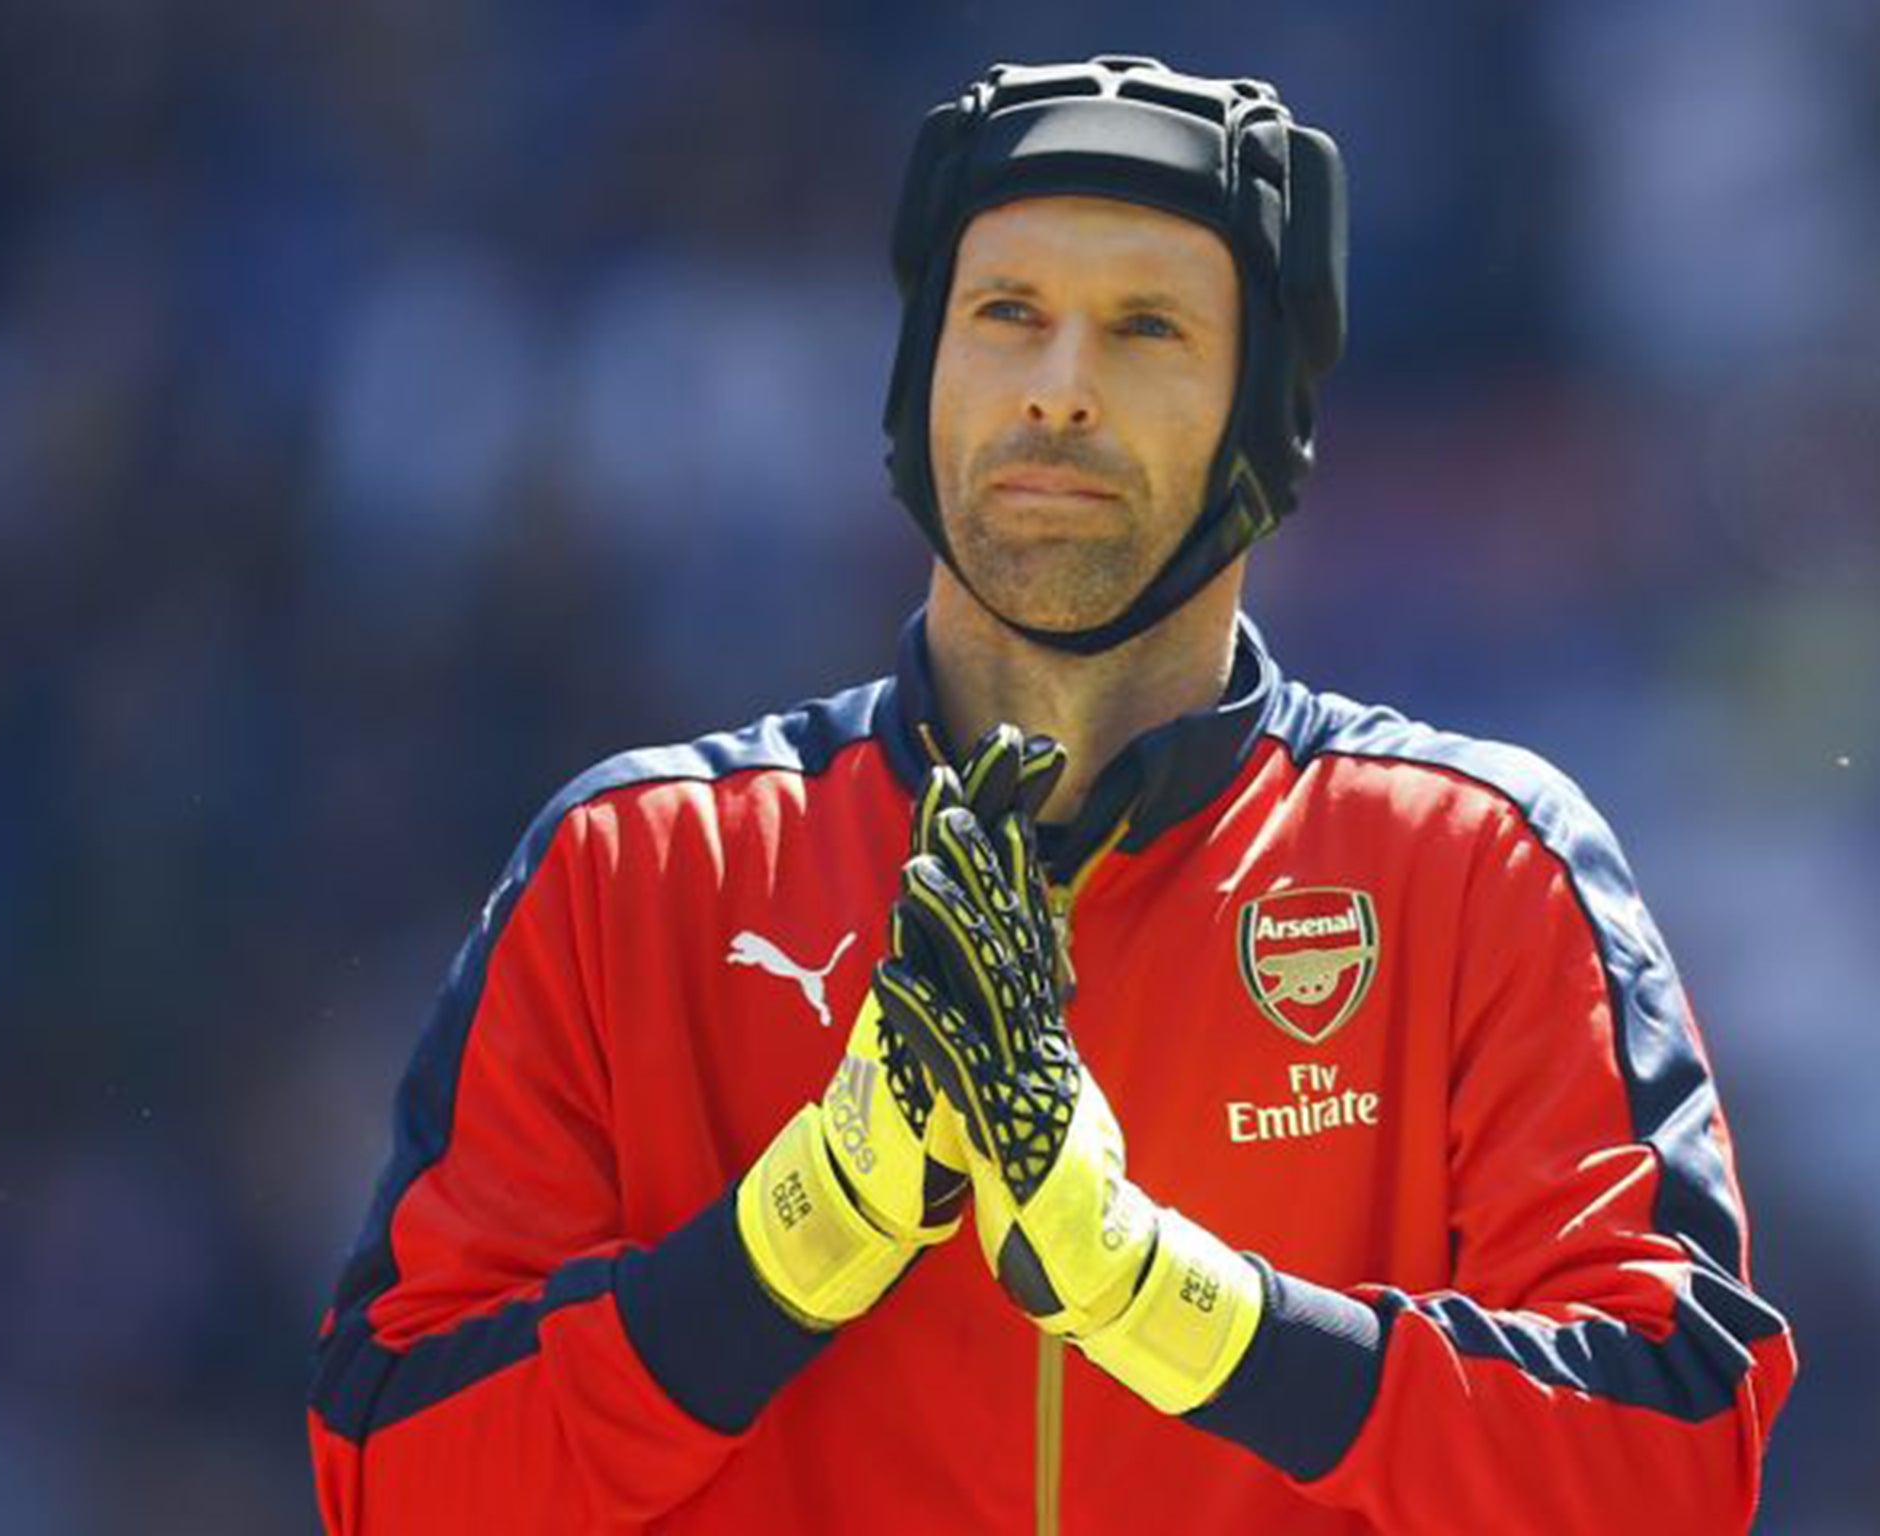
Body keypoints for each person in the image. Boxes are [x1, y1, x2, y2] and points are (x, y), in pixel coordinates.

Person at [306, 56, 1795, 1534]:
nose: (1059, 391)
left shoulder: (1476, 867)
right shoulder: (634, 871)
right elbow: (389, 1481)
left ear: (1266, 421)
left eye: (1148, 329)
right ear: (918, 385)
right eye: (1004, 315)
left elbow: (1673, 1467)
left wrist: (1163, 1295)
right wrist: (795, 1235)